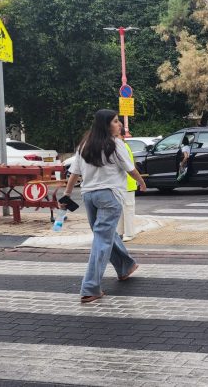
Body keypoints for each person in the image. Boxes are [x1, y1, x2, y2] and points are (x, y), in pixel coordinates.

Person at [61, 109, 146, 303]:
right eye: (116, 122)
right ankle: (90, 288)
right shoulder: (116, 144)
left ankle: (125, 266)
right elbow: (130, 169)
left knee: (104, 235)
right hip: (109, 197)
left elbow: (74, 173)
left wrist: (67, 194)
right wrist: (142, 183)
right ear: (106, 125)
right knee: (102, 239)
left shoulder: (85, 144)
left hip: (89, 196)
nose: (120, 125)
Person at [117, 127, 137, 242]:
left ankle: (129, 233)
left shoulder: (123, 147)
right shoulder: (122, 146)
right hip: (122, 184)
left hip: (128, 183)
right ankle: (120, 232)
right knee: (121, 210)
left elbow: (129, 167)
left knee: (128, 210)